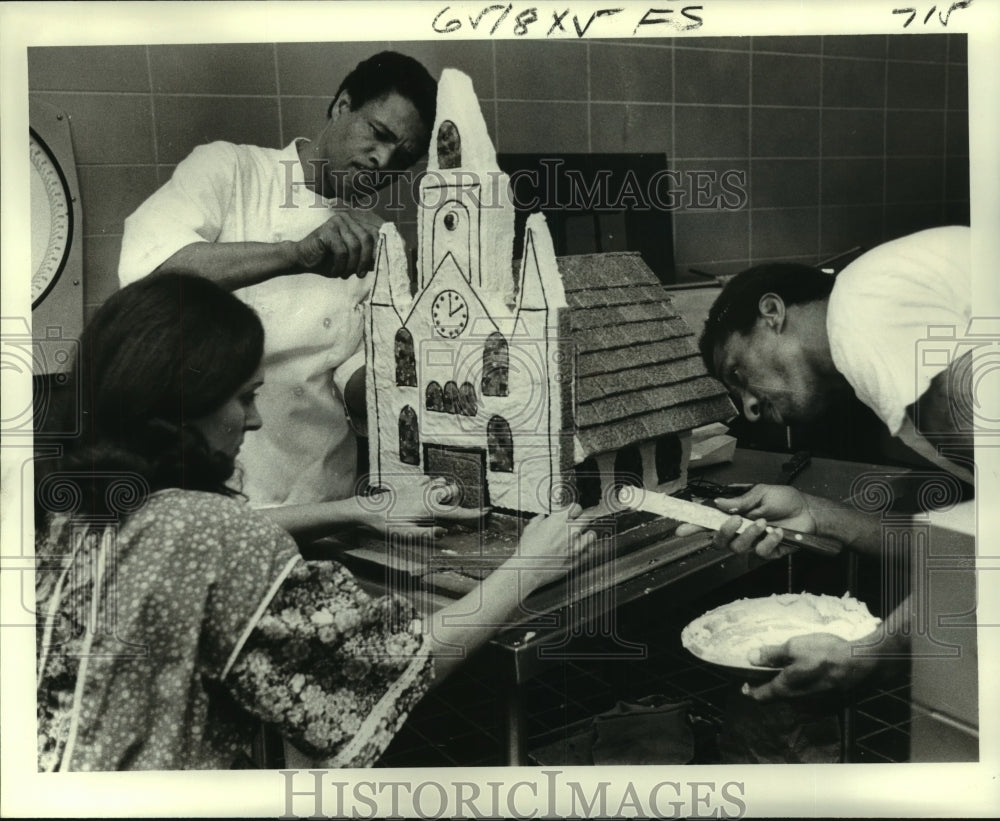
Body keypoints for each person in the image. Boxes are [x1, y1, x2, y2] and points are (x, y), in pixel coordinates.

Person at [35, 273, 595, 771]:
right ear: (183, 403)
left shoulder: (70, 504)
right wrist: (528, 566)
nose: (253, 421)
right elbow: (395, 663)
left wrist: (359, 508)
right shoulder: (216, 533)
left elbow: (186, 547)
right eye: (244, 397)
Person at [118, 51, 437, 508]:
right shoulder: (231, 171)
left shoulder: (374, 238)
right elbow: (149, 279)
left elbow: (348, 371)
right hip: (220, 493)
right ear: (342, 105)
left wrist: (415, 381)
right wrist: (295, 254)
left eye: (402, 157)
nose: (382, 161)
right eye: (378, 134)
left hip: (328, 496)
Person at [688, 225, 975, 702]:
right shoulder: (869, 322)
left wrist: (873, 656)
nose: (749, 408)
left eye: (737, 372)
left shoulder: (865, 312)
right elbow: (974, 548)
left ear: (772, 313)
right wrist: (820, 516)